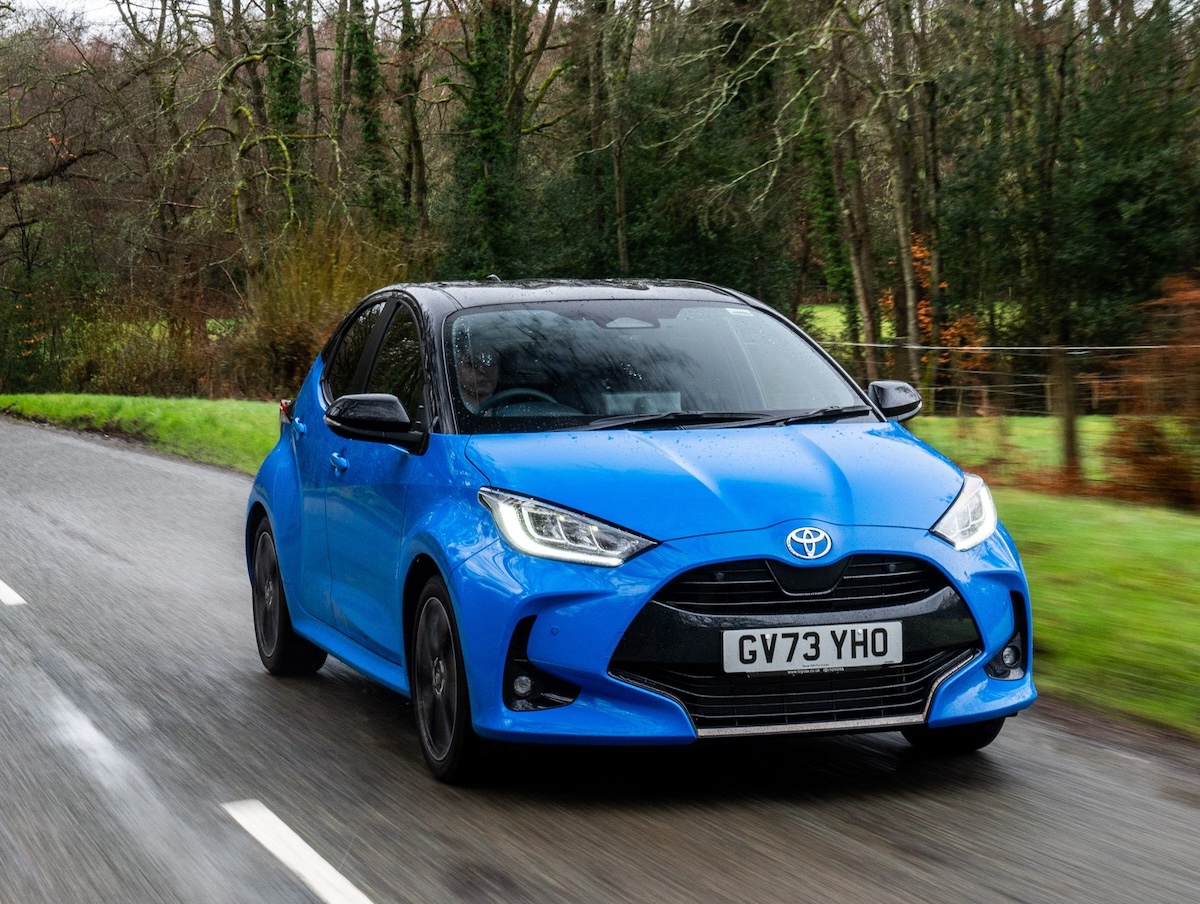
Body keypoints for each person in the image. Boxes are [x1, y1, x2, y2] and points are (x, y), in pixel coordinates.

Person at [456, 344, 501, 412]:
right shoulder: (450, 411)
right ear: (456, 369)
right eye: (471, 364)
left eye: (490, 363)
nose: (483, 370)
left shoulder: (513, 409)